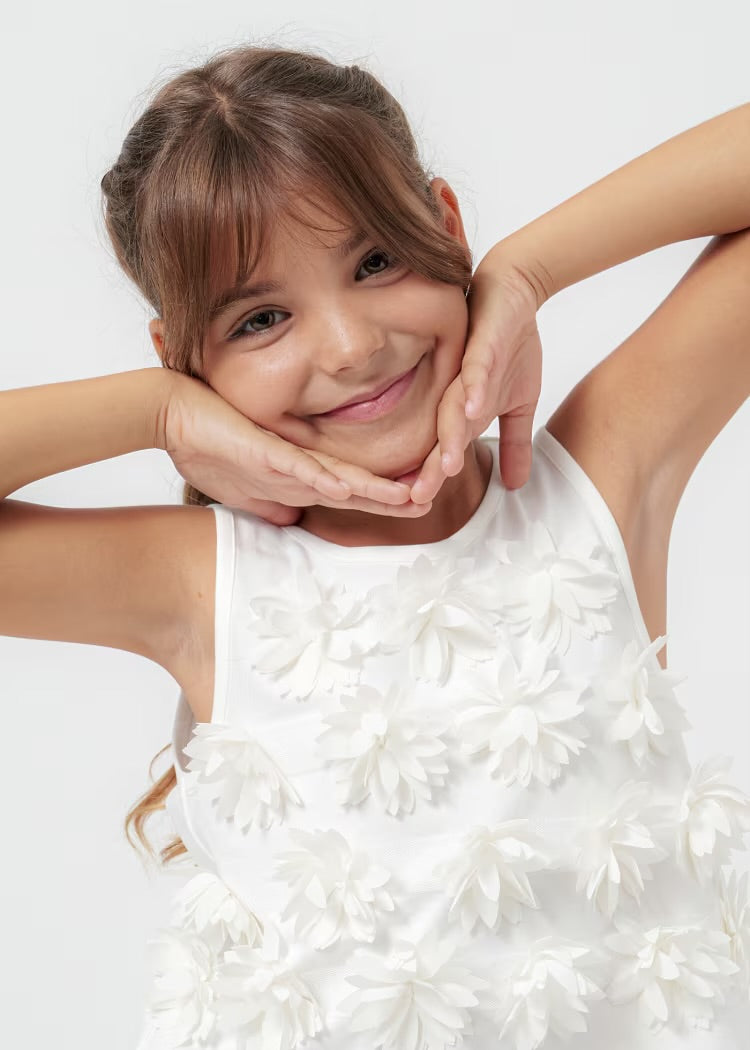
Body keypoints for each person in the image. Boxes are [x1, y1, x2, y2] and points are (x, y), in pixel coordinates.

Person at [1, 42, 749, 1050]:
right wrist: (155, 415)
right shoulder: (200, 585)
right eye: (262, 319)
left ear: (442, 224)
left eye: (375, 261)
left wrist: (527, 271)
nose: (351, 346)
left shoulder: (595, 491)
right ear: (188, 360)